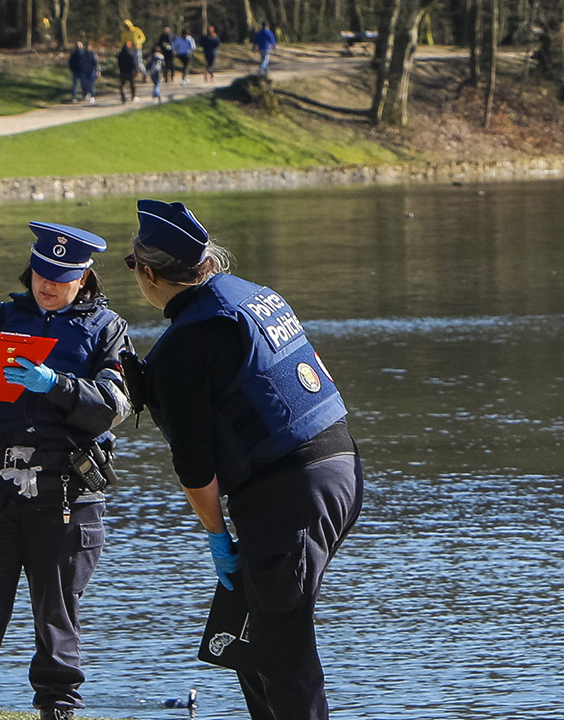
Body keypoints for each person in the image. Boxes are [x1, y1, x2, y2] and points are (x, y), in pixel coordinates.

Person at [125, 199, 363, 719]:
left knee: (282, 649)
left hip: (289, 494)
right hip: (339, 469)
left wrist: (217, 536)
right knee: (250, 640)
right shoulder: (258, 298)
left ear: (146, 273)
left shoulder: (185, 344)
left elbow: (194, 462)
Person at [0, 223, 132, 720]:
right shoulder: (0, 317)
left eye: (61, 278)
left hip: (64, 495)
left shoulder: (106, 329)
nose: (48, 284)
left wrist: (55, 385)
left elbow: (113, 407)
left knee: (57, 620)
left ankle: (58, 710)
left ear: (83, 278)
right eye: (42, 272)